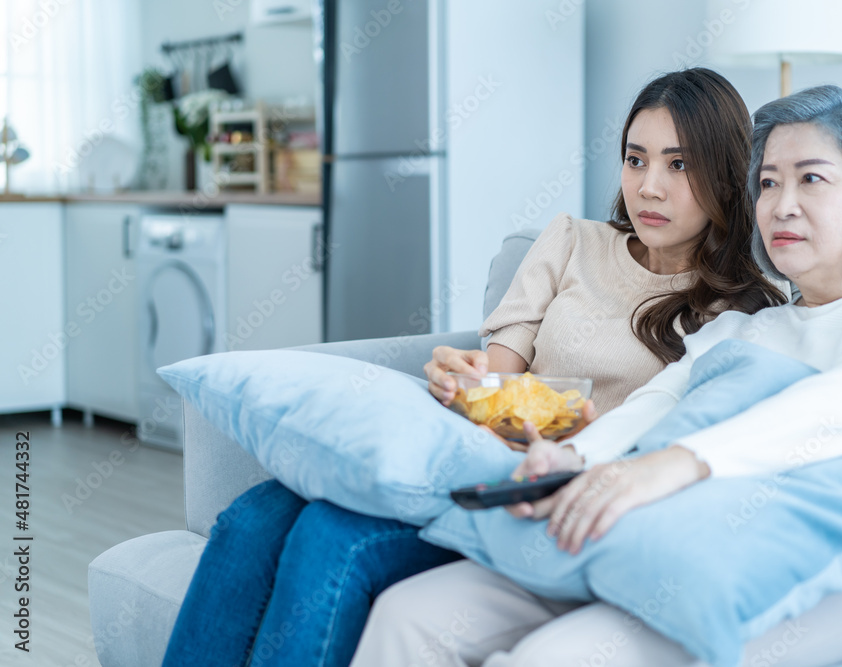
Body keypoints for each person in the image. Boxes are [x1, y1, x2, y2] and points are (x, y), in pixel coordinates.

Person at [161, 68, 787, 667]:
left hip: (551, 501)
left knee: (329, 538)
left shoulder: (744, 314)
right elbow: (497, 387)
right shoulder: (571, 241)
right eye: (635, 158)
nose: (649, 186)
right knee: (251, 517)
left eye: (679, 164)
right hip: (480, 455)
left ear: (727, 177)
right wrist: (462, 379)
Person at [349, 85, 842, 667]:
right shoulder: (752, 327)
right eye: (766, 183)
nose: (781, 205)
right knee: (410, 616)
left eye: (810, 179)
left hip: (839, 579)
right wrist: (569, 459)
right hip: (675, 546)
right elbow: (654, 403)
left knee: (560, 657)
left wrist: (676, 463)